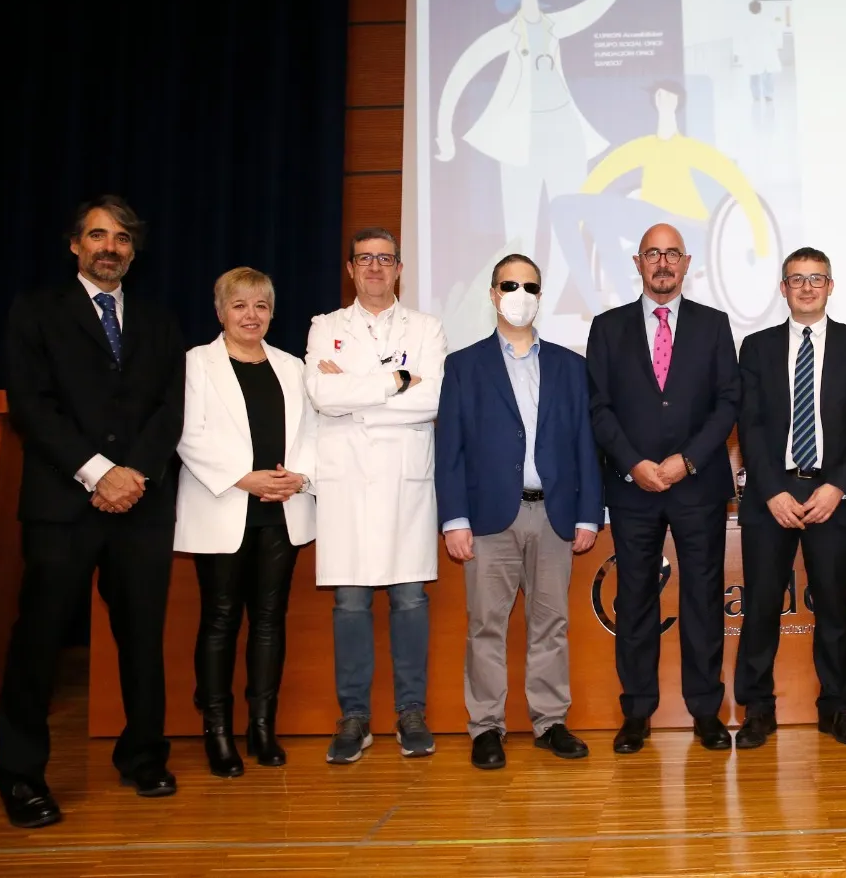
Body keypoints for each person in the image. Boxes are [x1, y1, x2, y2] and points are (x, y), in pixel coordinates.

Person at [0, 196, 185, 827]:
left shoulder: (158, 320)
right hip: (62, 505)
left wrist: (134, 476)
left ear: (134, 249)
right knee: (39, 642)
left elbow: (169, 409)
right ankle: (20, 775)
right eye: (98, 235)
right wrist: (99, 473)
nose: (111, 247)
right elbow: (31, 403)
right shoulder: (36, 312)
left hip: (142, 506)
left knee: (141, 638)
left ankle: (143, 755)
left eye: (123, 238)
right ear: (76, 245)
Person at [435, 254, 603, 771]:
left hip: (553, 514)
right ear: (492, 294)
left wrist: (589, 514)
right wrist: (454, 519)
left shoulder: (569, 366)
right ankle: (486, 727)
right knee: (486, 624)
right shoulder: (464, 365)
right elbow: (451, 449)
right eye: (510, 285)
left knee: (550, 623)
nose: (520, 294)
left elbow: (584, 444)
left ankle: (550, 722)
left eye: (530, 286)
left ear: (540, 295)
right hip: (488, 519)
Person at [585, 222, 741, 753]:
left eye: (672, 253)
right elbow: (599, 408)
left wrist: (687, 461)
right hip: (633, 489)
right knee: (634, 601)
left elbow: (728, 403)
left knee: (702, 599)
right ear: (638, 263)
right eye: (653, 253)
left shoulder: (715, 325)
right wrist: (634, 463)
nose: (663, 262)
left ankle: (705, 711)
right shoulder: (606, 329)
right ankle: (637, 713)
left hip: (696, 485)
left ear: (688, 262)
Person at [304, 227, 447, 764]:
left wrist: (355, 392)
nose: (374, 268)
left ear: (399, 269)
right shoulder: (325, 328)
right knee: (351, 602)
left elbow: (431, 400)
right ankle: (354, 717)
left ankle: (411, 712)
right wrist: (394, 381)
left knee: (410, 599)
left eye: (385, 259)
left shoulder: (427, 328)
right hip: (346, 482)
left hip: (405, 481)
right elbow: (321, 395)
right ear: (350, 269)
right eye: (364, 260)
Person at [433, 0, 637, 291]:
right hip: (520, 142)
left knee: (568, 227)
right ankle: (518, 303)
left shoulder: (556, 24)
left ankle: (556, 306)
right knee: (520, 231)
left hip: (565, 136)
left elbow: (601, 2)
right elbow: (462, 70)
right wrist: (443, 132)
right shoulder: (505, 34)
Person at [733, 248, 846, 749]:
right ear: (783, 289)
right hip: (771, 495)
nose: (807, 287)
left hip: (832, 493)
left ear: (831, 286)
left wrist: (837, 486)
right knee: (760, 607)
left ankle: (836, 709)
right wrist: (771, 488)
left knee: (835, 609)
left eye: (816, 278)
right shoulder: (755, 347)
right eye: (796, 279)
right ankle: (757, 709)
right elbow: (748, 424)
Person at [173, 267, 317, 777]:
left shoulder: (293, 366)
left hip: (282, 510)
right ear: (220, 312)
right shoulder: (195, 364)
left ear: (272, 312)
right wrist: (243, 478)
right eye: (239, 306)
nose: (250, 315)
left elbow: (315, 432)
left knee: (269, 621)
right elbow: (187, 433)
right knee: (219, 620)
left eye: (260, 306)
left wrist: (299, 478)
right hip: (223, 506)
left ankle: (262, 727)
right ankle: (217, 732)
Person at [549, 80, 771, 312]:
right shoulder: (642, 147)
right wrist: (582, 219)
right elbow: (601, 176)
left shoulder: (691, 149)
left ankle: (620, 301)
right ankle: (606, 305)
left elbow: (740, 187)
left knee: (591, 212)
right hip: (647, 220)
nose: (661, 100)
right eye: (657, 96)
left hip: (685, 228)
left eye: (666, 96)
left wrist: (762, 245)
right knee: (572, 210)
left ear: (677, 102)